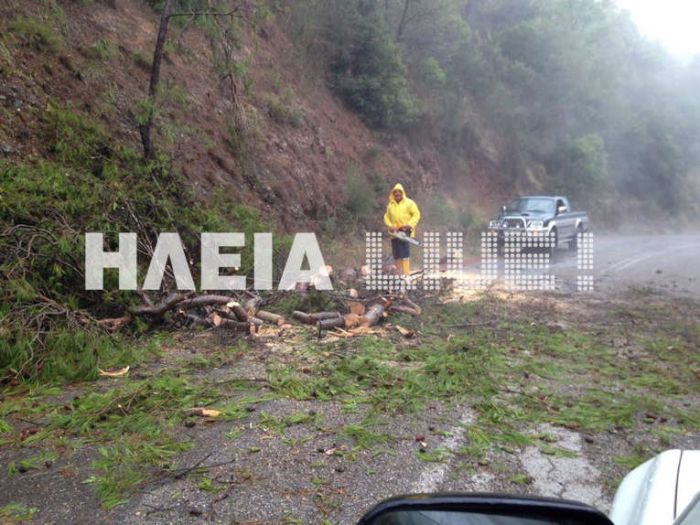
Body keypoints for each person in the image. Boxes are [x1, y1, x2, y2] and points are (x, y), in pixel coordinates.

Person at [383, 183, 421, 275]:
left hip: (405, 232)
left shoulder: (409, 203)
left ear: (402, 193)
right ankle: (398, 273)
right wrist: (390, 225)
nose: (397, 195)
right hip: (394, 233)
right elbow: (386, 217)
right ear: (393, 194)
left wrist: (409, 225)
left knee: (404, 254)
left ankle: (406, 273)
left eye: (399, 194)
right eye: (395, 194)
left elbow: (416, 214)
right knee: (396, 255)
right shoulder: (390, 205)